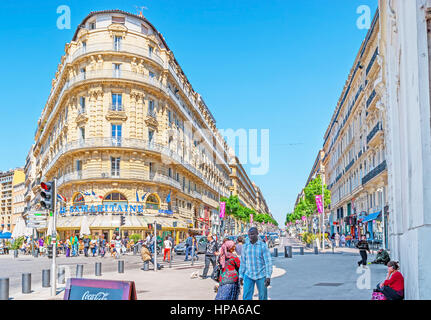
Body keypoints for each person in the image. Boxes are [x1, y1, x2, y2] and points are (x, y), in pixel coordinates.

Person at [239, 227, 273, 300]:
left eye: (253, 234)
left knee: (263, 297)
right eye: (249, 234)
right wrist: (241, 275)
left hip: (261, 275)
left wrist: (268, 276)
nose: (251, 236)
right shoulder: (245, 247)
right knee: (246, 296)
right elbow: (243, 262)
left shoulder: (263, 246)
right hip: (248, 275)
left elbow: (268, 262)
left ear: (257, 234)